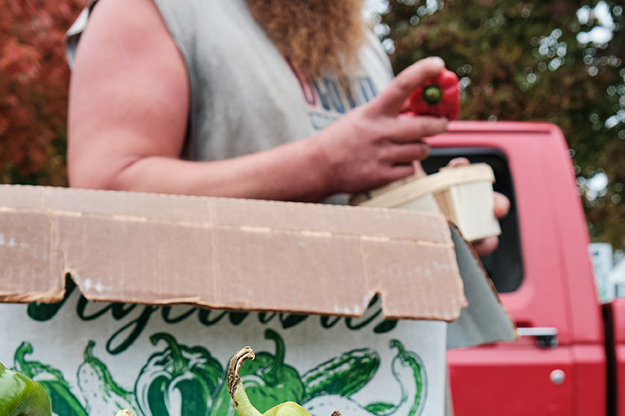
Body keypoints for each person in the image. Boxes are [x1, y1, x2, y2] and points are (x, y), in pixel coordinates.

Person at [65, 0, 508, 254]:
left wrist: (437, 222)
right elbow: (104, 191)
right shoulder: (153, 7)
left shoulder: (361, 39)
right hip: (232, 379)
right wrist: (322, 165)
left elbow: (371, 194)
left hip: (372, 378)